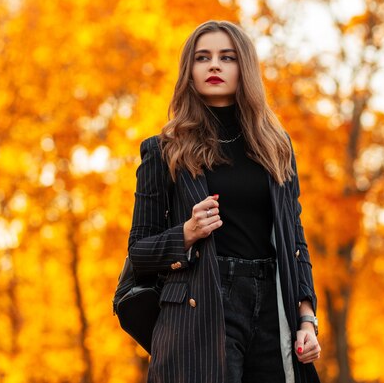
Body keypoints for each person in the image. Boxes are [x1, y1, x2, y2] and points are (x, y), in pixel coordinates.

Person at [128, 20, 321, 383]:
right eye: (203, 58)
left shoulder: (276, 148)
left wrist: (306, 318)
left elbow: (294, 241)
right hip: (201, 305)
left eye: (226, 57)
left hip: (272, 309)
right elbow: (139, 251)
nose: (214, 65)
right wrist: (186, 232)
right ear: (190, 71)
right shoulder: (163, 150)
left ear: (243, 68)